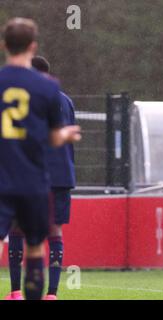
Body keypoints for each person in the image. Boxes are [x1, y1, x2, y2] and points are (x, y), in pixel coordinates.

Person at [0, 17, 81, 300]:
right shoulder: (47, 88)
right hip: (35, 177)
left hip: (4, 174)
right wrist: (66, 135)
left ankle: (13, 292)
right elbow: (50, 137)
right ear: (32, 46)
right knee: (37, 242)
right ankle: (45, 295)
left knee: (5, 235)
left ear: (3, 45)